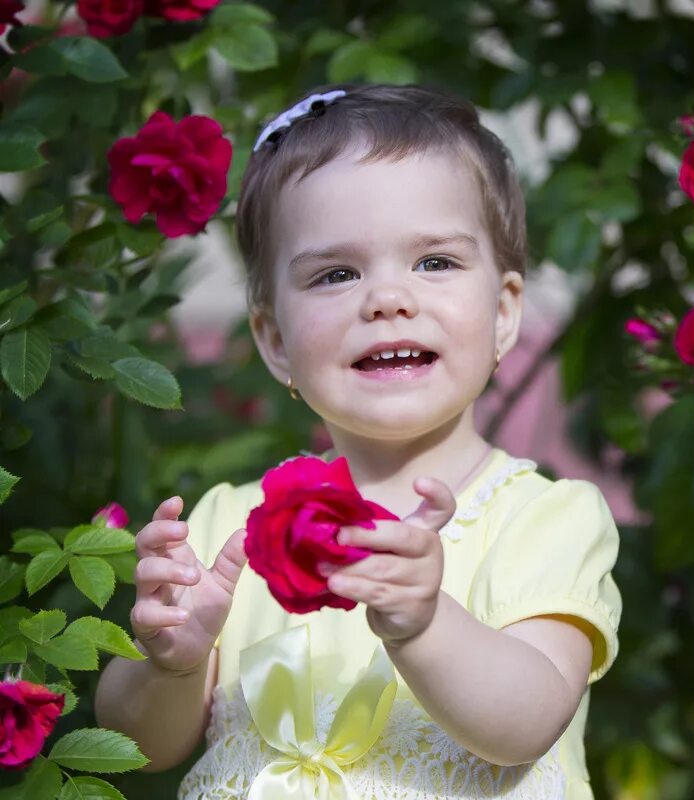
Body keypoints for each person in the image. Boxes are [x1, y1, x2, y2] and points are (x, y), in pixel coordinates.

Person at [94, 83, 623, 800]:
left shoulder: (546, 519)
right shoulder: (229, 530)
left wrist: (426, 625)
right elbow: (137, 747)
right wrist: (171, 666)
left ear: (503, 315)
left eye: (434, 261)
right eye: (336, 274)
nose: (387, 298)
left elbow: (525, 721)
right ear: (276, 341)